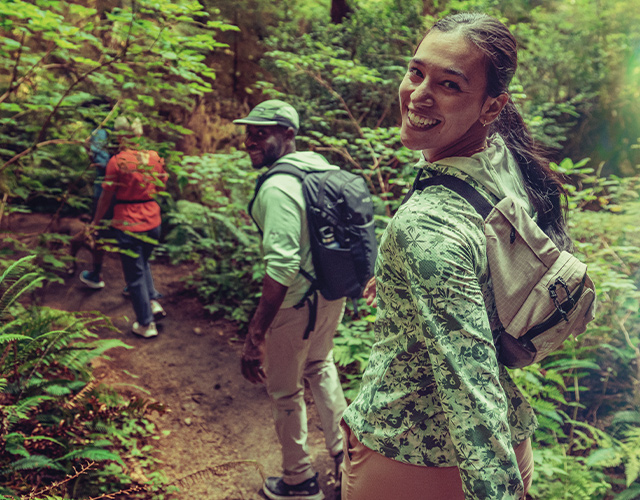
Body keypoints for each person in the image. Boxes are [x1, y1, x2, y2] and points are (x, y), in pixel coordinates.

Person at [340, 13, 573, 500]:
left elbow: (472, 389)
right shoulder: (501, 156)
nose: (419, 93)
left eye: (449, 84)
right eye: (416, 72)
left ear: (492, 107)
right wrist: (402, 273)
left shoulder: (426, 228)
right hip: (510, 441)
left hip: (416, 465)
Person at [235, 100, 347, 500]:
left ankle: (299, 481)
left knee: (285, 391)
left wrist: (255, 335)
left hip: (296, 304)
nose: (249, 140)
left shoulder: (279, 187)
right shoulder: (322, 167)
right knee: (320, 364)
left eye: (260, 133)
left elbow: (281, 269)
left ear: (287, 135)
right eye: (248, 132)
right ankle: (345, 457)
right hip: (331, 295)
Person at [88, 116, 167, 338]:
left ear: (121, 135)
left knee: (134, 275)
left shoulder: (118, 162)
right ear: (140, 134)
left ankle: (146, 324)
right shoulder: (155, 157)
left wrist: (95, 222)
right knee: (142, 263)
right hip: (153, 221)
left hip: (128, 223)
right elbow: (161, 187)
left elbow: (106, 197)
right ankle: (153, 303)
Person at [77, 127, 112, 289]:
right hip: (126, 192)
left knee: (99, 233)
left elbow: (102, 164)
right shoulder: (123, 131)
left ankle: (96, 274)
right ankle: (134, 283)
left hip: (103, 191)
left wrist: (91, 153)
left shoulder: (99, 132)